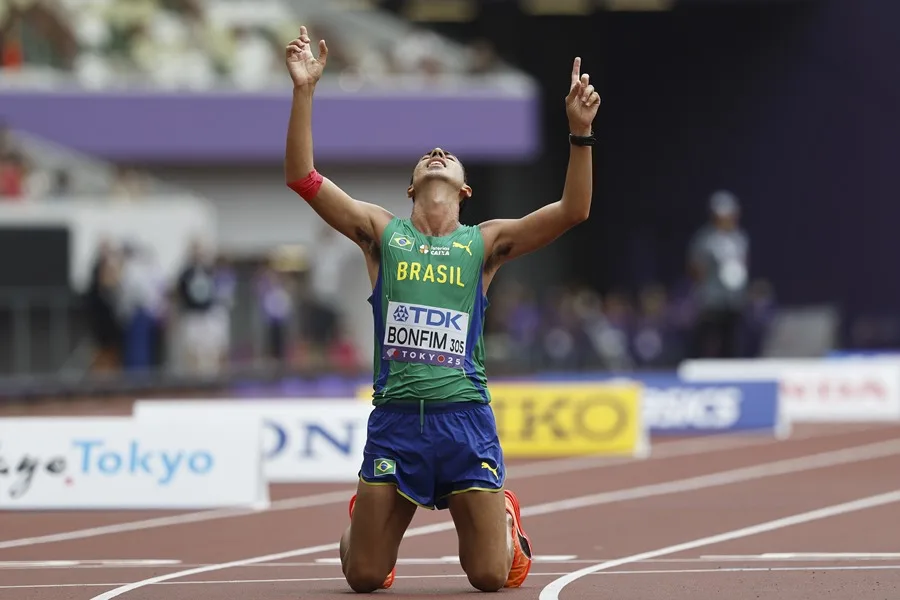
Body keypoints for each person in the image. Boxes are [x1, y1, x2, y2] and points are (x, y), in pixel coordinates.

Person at [283, 26, 600, 593]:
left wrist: (580, 134)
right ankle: (368, 517)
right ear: (411, 188)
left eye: (447, 157)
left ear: (465, 189)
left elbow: (574, 210)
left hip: (465, 422)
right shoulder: (382, 233)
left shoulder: (485, 243)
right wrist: (304, 91)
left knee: (488, 577)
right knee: (362, 577)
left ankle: (501, 513)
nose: (436, 154)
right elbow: (302, 179)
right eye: (427, 157)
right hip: (396, 423)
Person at [687, 190, 750, 358]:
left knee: (733, 342)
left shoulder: (739, 237)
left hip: (734, 300)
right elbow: (696, 267)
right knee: (708, 340)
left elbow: (743, 263)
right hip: (712, 300)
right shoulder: (705, 238)